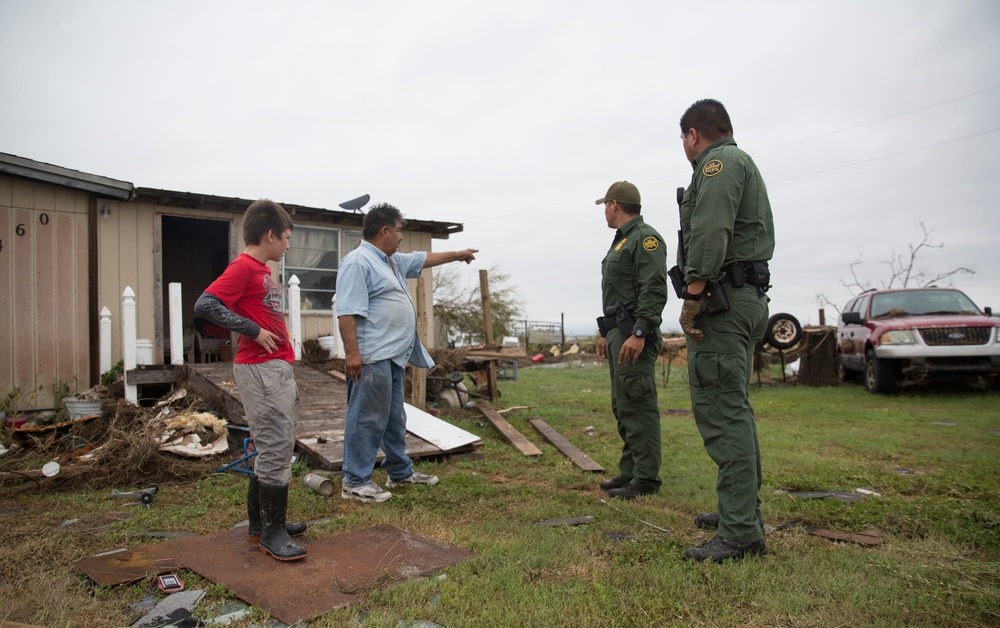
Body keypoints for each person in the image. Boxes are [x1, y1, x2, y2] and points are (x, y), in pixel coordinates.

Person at [674, 99, 775, 562]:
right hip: (745, 298)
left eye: (682, 138)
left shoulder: (717, 163)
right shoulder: (736, 161)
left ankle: (740, 531)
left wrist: (692, 296)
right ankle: (740, 512)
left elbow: (711, 232)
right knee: (734, 407)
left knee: (720, 408)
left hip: (724, 301)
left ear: (693, 134)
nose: (683, 147)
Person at [336, 203, 478, 503]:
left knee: (394, 417)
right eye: (399, 230)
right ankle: (354, 481)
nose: (401, 236)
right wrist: (352, 354)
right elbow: (347, 313)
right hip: (371, 356)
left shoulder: (391, 262)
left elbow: (425, 258)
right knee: (366, 418)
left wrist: (459, 254)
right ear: (384, 230)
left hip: (394, 355)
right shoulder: (358, 262)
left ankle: (399, 472)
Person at [194, 199, 307, 562]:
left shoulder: (261, 270)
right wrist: (253, 329)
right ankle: (272, 534)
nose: (288, 245)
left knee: (275, 442)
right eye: (286, 238)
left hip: (274, 366)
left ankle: (263, 523)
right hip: (260, 368)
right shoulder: (243, 267)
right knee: (276, 445)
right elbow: (206, 305)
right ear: (270, 234)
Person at [594, 181, 669, 500]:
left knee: (638, 404)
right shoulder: (622, 241)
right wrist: (605, 332)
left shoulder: (645, 239)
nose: (605, 212)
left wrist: (641, 333)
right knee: (623, 404)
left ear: (615, 204)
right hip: (618, 332)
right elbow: (618, 294)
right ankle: (630, 470)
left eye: (606, 206)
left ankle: (646, 478)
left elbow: (654, 289)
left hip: (634, 335)